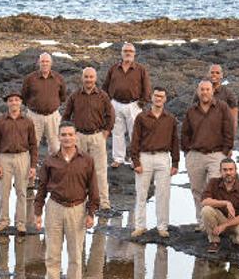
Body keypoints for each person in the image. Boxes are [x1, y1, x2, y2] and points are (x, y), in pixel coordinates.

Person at [34, 122, 100, 279]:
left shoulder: (87, 160)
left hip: (77, 209)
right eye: (64, 135)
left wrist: (91, 212)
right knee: (52, 252)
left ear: (76, 137)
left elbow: (93, 187)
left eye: (70, 134)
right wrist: (37, 212)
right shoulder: (50, 160)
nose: (67, 138)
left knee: (76, 254)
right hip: (54, 207)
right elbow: (41, 188)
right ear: (58, 137)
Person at [181, 80, 235, 227]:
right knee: (197, 190)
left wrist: (225, 152)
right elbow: (185, 133)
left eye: (207, 89)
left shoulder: (222, 107)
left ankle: (216, 222)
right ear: (198, 92)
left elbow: (229, 130)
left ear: (212, 91)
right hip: (195, 155)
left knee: (215, 190)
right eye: (202, 90)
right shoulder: (191, 111)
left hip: (216, 155)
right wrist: (188, 152)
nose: (204, 92)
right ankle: (202, 222)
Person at [130, 87, 179, 238]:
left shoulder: (170, 119)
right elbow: (135, 140)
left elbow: (175, 141)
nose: (158, 98)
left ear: (165, 99)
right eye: (156, 96)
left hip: (163, 158)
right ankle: (140, 226)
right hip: (144, 157)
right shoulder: (141, 117)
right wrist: (135, 161)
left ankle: (162, 227)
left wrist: (175, 163)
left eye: (161, 96)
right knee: (141, 193)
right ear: (151, 97)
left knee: (163, 194)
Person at [63, 67, 114, 210]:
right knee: (78, 170)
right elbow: (66, 116)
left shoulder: (103, 96)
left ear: (95, 79)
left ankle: (104, 202)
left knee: (100, 171)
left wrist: (106, 131)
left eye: (91, 77)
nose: (89, 80)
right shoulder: (74, 96)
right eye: (86, 77)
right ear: (82, 78)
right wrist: (69, 134)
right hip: (78, 137)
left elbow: (110, 115)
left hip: (98, 136)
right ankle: (79, 200)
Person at [0, 92, 38, 234]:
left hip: (23, 158)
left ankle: (21, 223)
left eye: (16, 100)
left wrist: (33, 166)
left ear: (21, 102)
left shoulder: (28, 121)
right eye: (11, 100)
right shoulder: (0, 121)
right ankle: (3, 221)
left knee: (21, 192)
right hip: (4, 158)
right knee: (3, 192)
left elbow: (33, 144)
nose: (14, 103)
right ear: (7, 103)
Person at [103, 42, 151, 168]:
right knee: (117, 132)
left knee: (134, 133)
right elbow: (105, 86)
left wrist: (143, 102)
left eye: (130, 51)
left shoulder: (140, 69)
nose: (128, 53)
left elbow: (147, 87)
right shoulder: (113, 68)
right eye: (125, 51)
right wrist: (107, 103)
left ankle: (135, 159)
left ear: (134, 54)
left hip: (133, 105)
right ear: (121, 53)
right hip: (115, 104)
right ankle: (118, 159)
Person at [200, 158, 239, 252]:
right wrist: (226, 203)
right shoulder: (213, 182)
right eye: (225, 170)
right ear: (220, 171)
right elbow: (204, 201)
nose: (228, 172)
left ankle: (233, 238)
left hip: (238, 221)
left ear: (235, 170)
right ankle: (214, 241)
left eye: (231, 169)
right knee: (206, 210)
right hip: (220, 218)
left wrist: (225, 226)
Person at [21, 52, 67, 160]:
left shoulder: (58, 78)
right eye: (42, 61)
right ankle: (30, 172)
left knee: (56, 146)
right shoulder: (30, 78)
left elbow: (63, 96)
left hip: (53, 116)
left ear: (51, 63)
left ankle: (55, 171)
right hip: (34, 116)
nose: (45, 64)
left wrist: (53, 105)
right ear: (38, 63)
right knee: (32, 145)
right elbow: (24, 96)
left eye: (47, 61)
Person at [191, 64, 238, 136]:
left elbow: (234, 111)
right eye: (212, 72)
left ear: (221, 75)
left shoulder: (227, 93)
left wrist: (233, 129)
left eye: (217, 73)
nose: (214, 75)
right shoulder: (200, 91)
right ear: (208, 74)